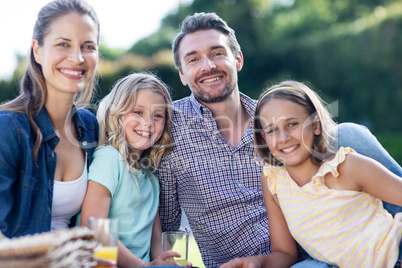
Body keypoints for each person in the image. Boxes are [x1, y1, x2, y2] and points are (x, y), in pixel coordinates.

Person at [156, 12, 402, 267]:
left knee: (347, 134)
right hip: (254, 263)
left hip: (314, 249)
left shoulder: (274, 120)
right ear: (183, 75)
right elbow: (165, 221)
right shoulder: (168, 129)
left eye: (217, 53)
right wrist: (167, 259)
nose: (207, 65)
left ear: (237, 59)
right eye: (193, 59)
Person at [226, 81, 402, 267]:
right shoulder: (273, 180)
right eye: (272, 130)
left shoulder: (346, 166)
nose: (283, 138)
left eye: (292, 124)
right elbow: (284, 252)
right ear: (264, 138)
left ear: (316, 125)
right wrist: (257, 262)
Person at [0, 0, 100, 238]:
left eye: (88, 46)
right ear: (37, 50)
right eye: (63, 44)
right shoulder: (8, 129)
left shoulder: (89, 126)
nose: (77, 58)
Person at [80, 73, 188, 267]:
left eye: (157, 115)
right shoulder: (109, 158)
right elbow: (95, 230)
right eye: (138, 112)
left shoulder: (151, 178)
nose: (148, 123)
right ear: (117, 114)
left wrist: (168, 263)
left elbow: (155, 242)